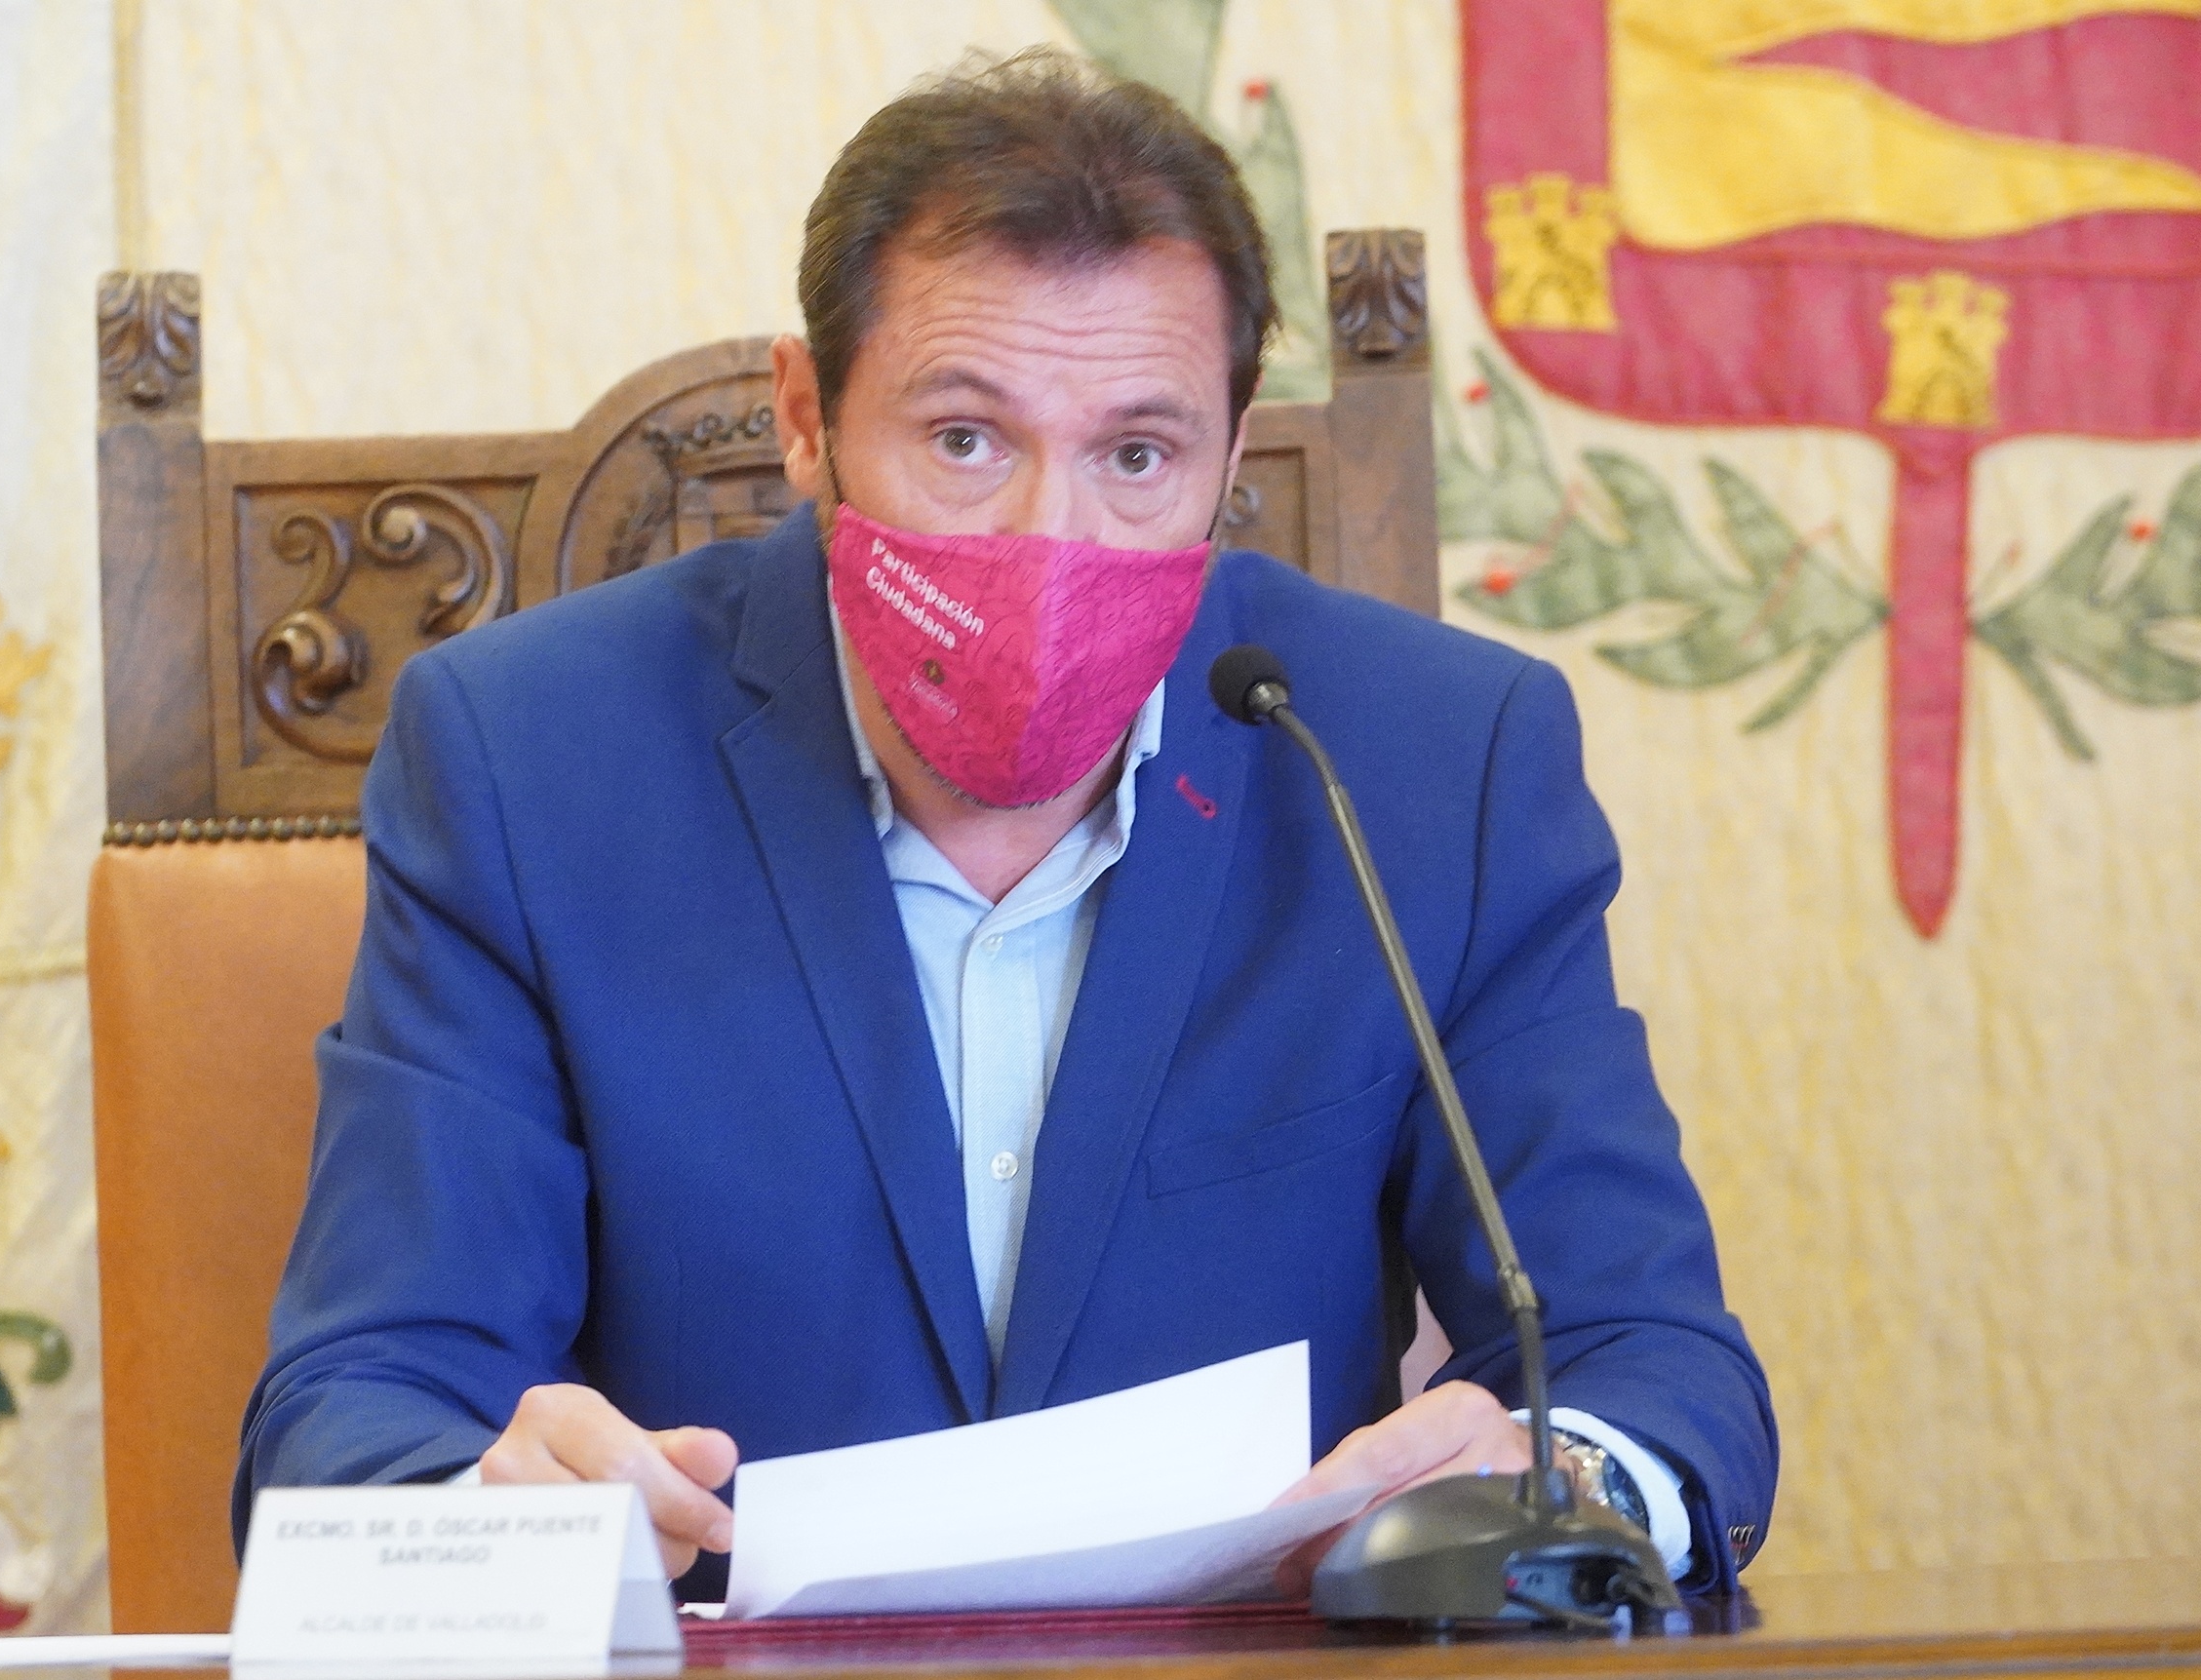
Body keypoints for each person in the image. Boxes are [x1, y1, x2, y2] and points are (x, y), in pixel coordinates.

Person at [237, 48, 1777, 1603]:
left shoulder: (1428, 764)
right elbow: (358, 1406)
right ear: (805, 418)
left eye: (1137, 455)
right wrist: (484, 1515)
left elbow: (1648, 1360)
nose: (1052, 542)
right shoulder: (527, 759)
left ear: (1230, 456)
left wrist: (1561, 1484)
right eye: (966, 440)